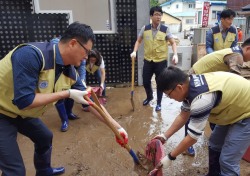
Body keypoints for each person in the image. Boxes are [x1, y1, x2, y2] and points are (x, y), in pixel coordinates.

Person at [0, 22, 128, 176]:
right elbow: (24, 101)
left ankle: (44, 171)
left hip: (22, 114)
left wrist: (117, 128)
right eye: (86, 52)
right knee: (15, 171)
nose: (87, 57)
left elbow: (91, 104)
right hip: (3, 112)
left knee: (45, 137)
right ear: (73, 43)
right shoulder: (31, 54)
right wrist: (66, 93)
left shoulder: (70, 72)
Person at [153, 66, 250, 176]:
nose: (169, 97)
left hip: (246, 113)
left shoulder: (201, 99)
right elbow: (183, 116)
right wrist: (164, 136)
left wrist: (170, 157)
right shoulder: (190, 85)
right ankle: (214, 174)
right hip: (232, 107)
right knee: (214, 144)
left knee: (228, 160)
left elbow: (192, 137)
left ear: (179, 87)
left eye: (168, 94)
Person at [182, 38, 250, 156]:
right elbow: (236, 79)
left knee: (200, 113)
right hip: (198, 81)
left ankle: (212, 142)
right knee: (193, 114)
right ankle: (188, 144)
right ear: (248, 48)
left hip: (200, 79)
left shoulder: (234, 51)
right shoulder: (237, 56)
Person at [130, 6, 178, 112]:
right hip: (148, 61)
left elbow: (173, 42)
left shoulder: (165, 29)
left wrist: (175, 54)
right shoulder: (145, 29)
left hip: (161, 62)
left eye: (160, 14)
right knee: (146, 81)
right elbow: (138, 41)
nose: (158, 17)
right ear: (151, 16)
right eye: (156, 14)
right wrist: (134, 51)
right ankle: (149, 96)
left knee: (160, 83)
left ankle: (159, 103)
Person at [51, 37, 87, 132]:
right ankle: (64, 120)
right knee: (59, 99)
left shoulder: (82, 54)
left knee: (72, 95)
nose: (85, 57)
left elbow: (82, 67)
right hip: (55, 74)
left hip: (70, 73)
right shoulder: (56, 45)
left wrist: (82, 80)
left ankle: (69, 113)